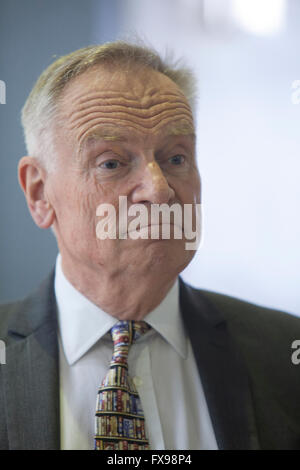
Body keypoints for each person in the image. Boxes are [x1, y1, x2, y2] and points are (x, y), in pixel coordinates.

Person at [0, 41, 299, 450]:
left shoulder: (284, 353)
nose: (159, 191)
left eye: (176, 158)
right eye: (111, 163)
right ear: (39, 194)